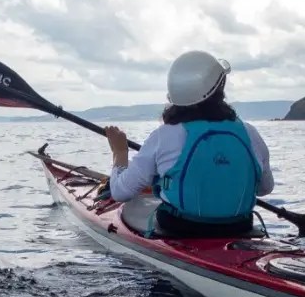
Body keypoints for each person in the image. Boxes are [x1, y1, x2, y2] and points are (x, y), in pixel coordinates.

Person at [105, 50, 274, 235]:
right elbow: (265, 189)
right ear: (220, 87)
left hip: (180, 229)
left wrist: (120, 152)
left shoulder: (163, 136)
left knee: (131, 207)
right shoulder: (250, 133)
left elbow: (120, 192)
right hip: (239, 228)